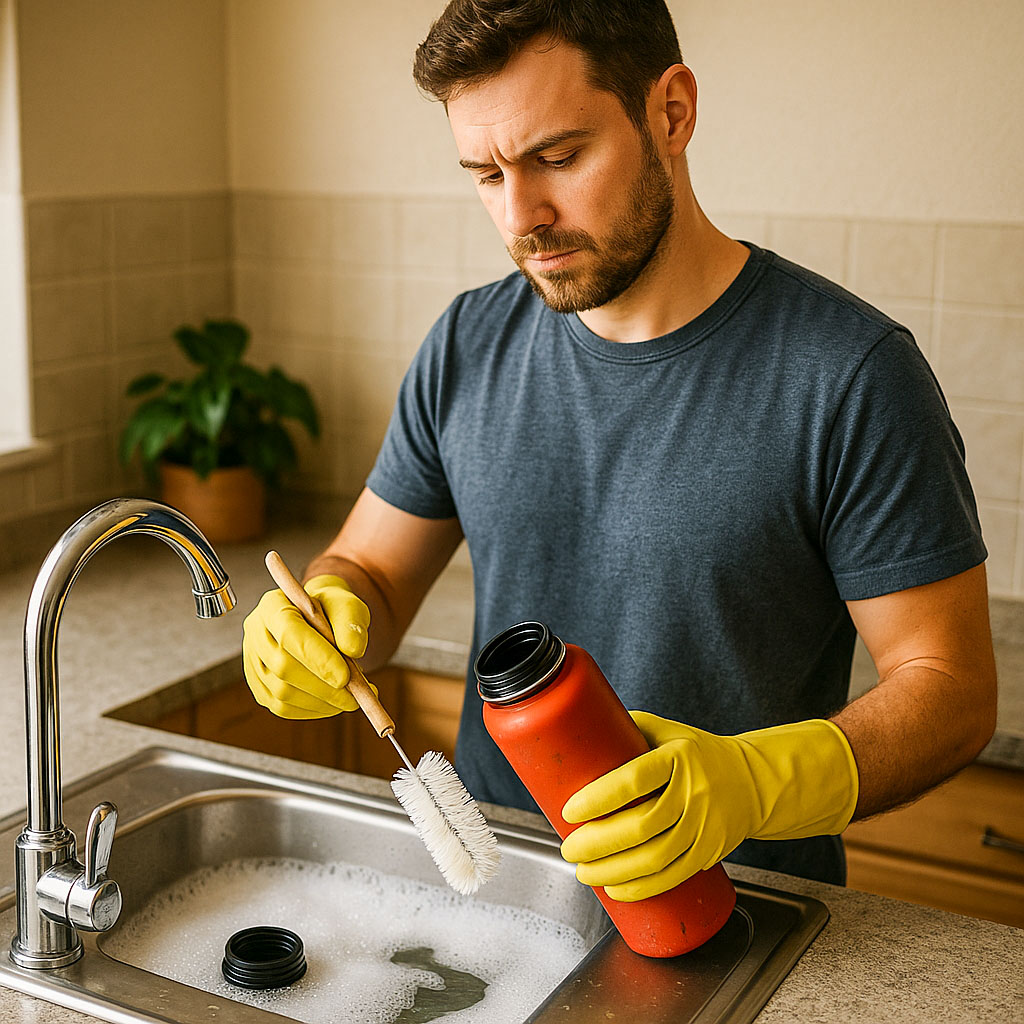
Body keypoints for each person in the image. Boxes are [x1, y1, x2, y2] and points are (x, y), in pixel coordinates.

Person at [242, 0, 997, 894]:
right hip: (498, 883)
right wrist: (327, 612)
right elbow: (372, 568)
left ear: (670, 112)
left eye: (557, 158)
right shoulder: (467, 343)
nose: (522, 214)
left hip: (740, 903)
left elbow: (951, 691)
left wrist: (756, 787)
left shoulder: (850, 374)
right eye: (485, 174)